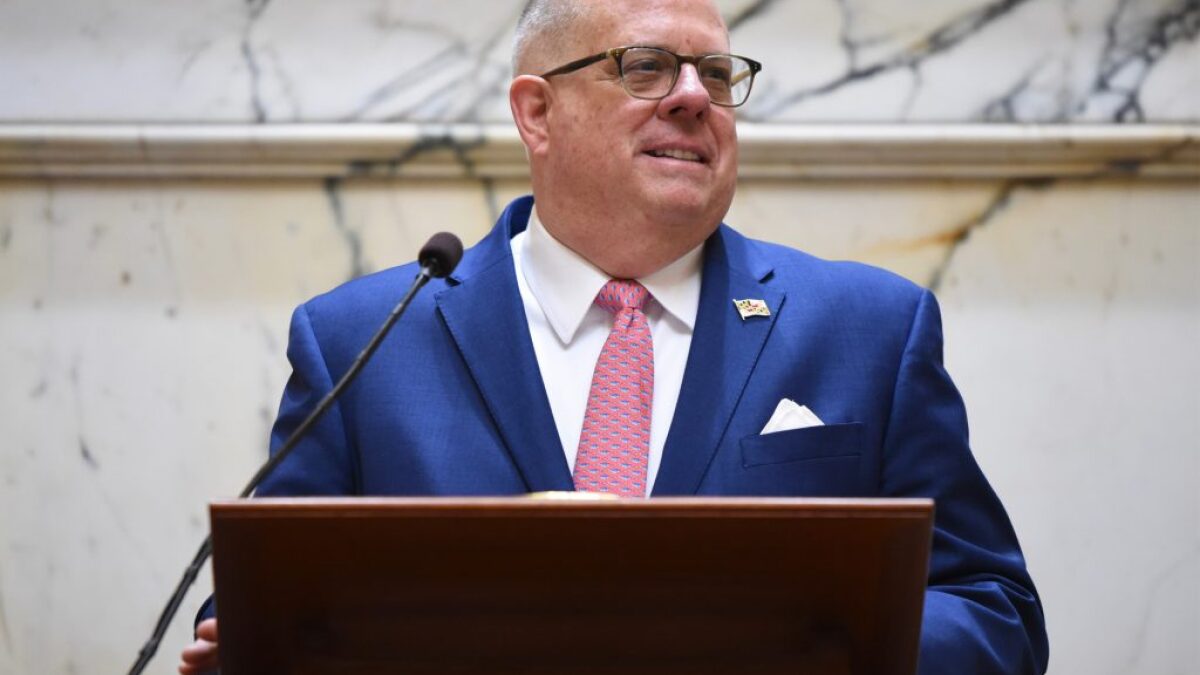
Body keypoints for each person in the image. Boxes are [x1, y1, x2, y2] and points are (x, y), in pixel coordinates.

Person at [180, 0, 1049, 672]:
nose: (694, 97)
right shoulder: (362, 341)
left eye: (715, 72)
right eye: (645, 67)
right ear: (537, 113)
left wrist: (796, 643)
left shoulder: (868, 328)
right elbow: (263, 613)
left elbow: (993, 608)